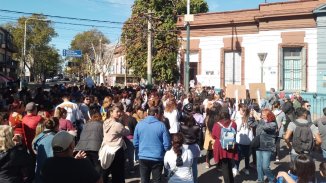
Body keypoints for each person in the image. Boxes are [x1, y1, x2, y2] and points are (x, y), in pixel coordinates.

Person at [134, 106, 171, 183]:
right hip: (157, 157)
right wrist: (163, 152)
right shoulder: (161, 125)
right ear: (156, 114)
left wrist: (140, 150)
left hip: (143, 156)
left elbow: (135, 143)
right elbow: (167, 144)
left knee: (144, 180)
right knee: (156, 180)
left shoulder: (139, 124)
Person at [102, 103, 130, 183]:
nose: (119, 113)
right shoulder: (117, 125)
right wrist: (126, 123)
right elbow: (127, 132)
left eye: (120, 111)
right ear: (111, 112)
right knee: (118, 175)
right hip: (117, 150)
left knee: (106, 172)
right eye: (117, 111)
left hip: (107, 149)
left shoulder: (105, 122)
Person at [75, 105, 104, 176]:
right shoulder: (102, 124)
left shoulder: (86, 125)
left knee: (88, 166)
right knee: (97, 165)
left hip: (82, 147)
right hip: (95, 147)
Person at [212, 107, 238, 183]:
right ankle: (231, 180)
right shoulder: (233, 123)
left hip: (221, 146)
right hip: (230, 145)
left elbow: (213, 136)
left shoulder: (217, 125)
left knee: (224, 166)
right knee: (229, 163)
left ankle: (227, 181)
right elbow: (235, 133)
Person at [251, 109, 277, 183]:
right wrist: (251, 117)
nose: (262, 116)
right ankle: (260, 180)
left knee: (265, 167)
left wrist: (259, 119)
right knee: (258, 166)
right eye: (262, 115)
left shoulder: (273, 123)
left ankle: (272, 179)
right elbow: (251, 124)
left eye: (264, 115)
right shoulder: (261, 121)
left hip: (267, 147)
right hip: (258, 145)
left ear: (269, 116)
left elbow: (266, 127)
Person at [32, 117, 59, 183]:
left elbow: (35, 151)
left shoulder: (38, 137)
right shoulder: (56, 138)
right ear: (57, 126)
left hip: (39, 173)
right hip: (50, 174)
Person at [179, 103, 200, 183]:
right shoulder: (196, 127)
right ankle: (194, 181)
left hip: (185, 146)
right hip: (194, 146)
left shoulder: (182, 126)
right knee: (194, 166)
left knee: (185, 166)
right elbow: (199, 137)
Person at [233, 104, 253, 176]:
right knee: (246, 156)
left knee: (238, 155)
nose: (239, 111)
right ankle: (246, 169)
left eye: (240, 110)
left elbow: (237, 129)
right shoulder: (250, 119)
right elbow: (251, 131)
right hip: (247, 141)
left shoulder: (239, 119)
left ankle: (236, 168)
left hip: (239, 140)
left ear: (243, 111)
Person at [203, 102, 221, 168]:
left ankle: (207, 163)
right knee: (216, 150)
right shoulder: (218, 118)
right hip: (215, 135)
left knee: (209, 150)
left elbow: (204, 124)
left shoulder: (207, 117)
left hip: (208, 134)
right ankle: (218, 165)